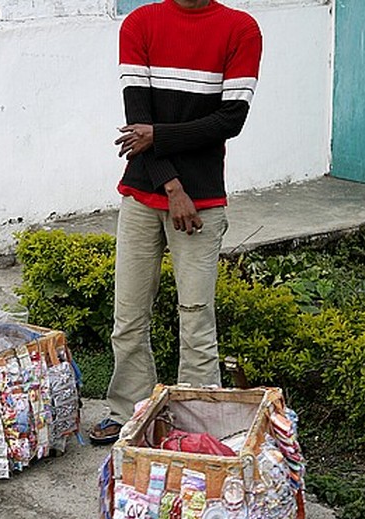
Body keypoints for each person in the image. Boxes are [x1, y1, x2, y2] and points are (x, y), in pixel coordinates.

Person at [89, 0, 262, 446]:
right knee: (128, 315)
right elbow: (137, 122)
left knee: (197, 317)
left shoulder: (241, 29)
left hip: (203, 199)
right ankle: (129, 411)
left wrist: (161, 138)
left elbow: (232, 119)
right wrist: (171, 186)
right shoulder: (140, 24)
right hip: (144, 195)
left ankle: (194, 422)